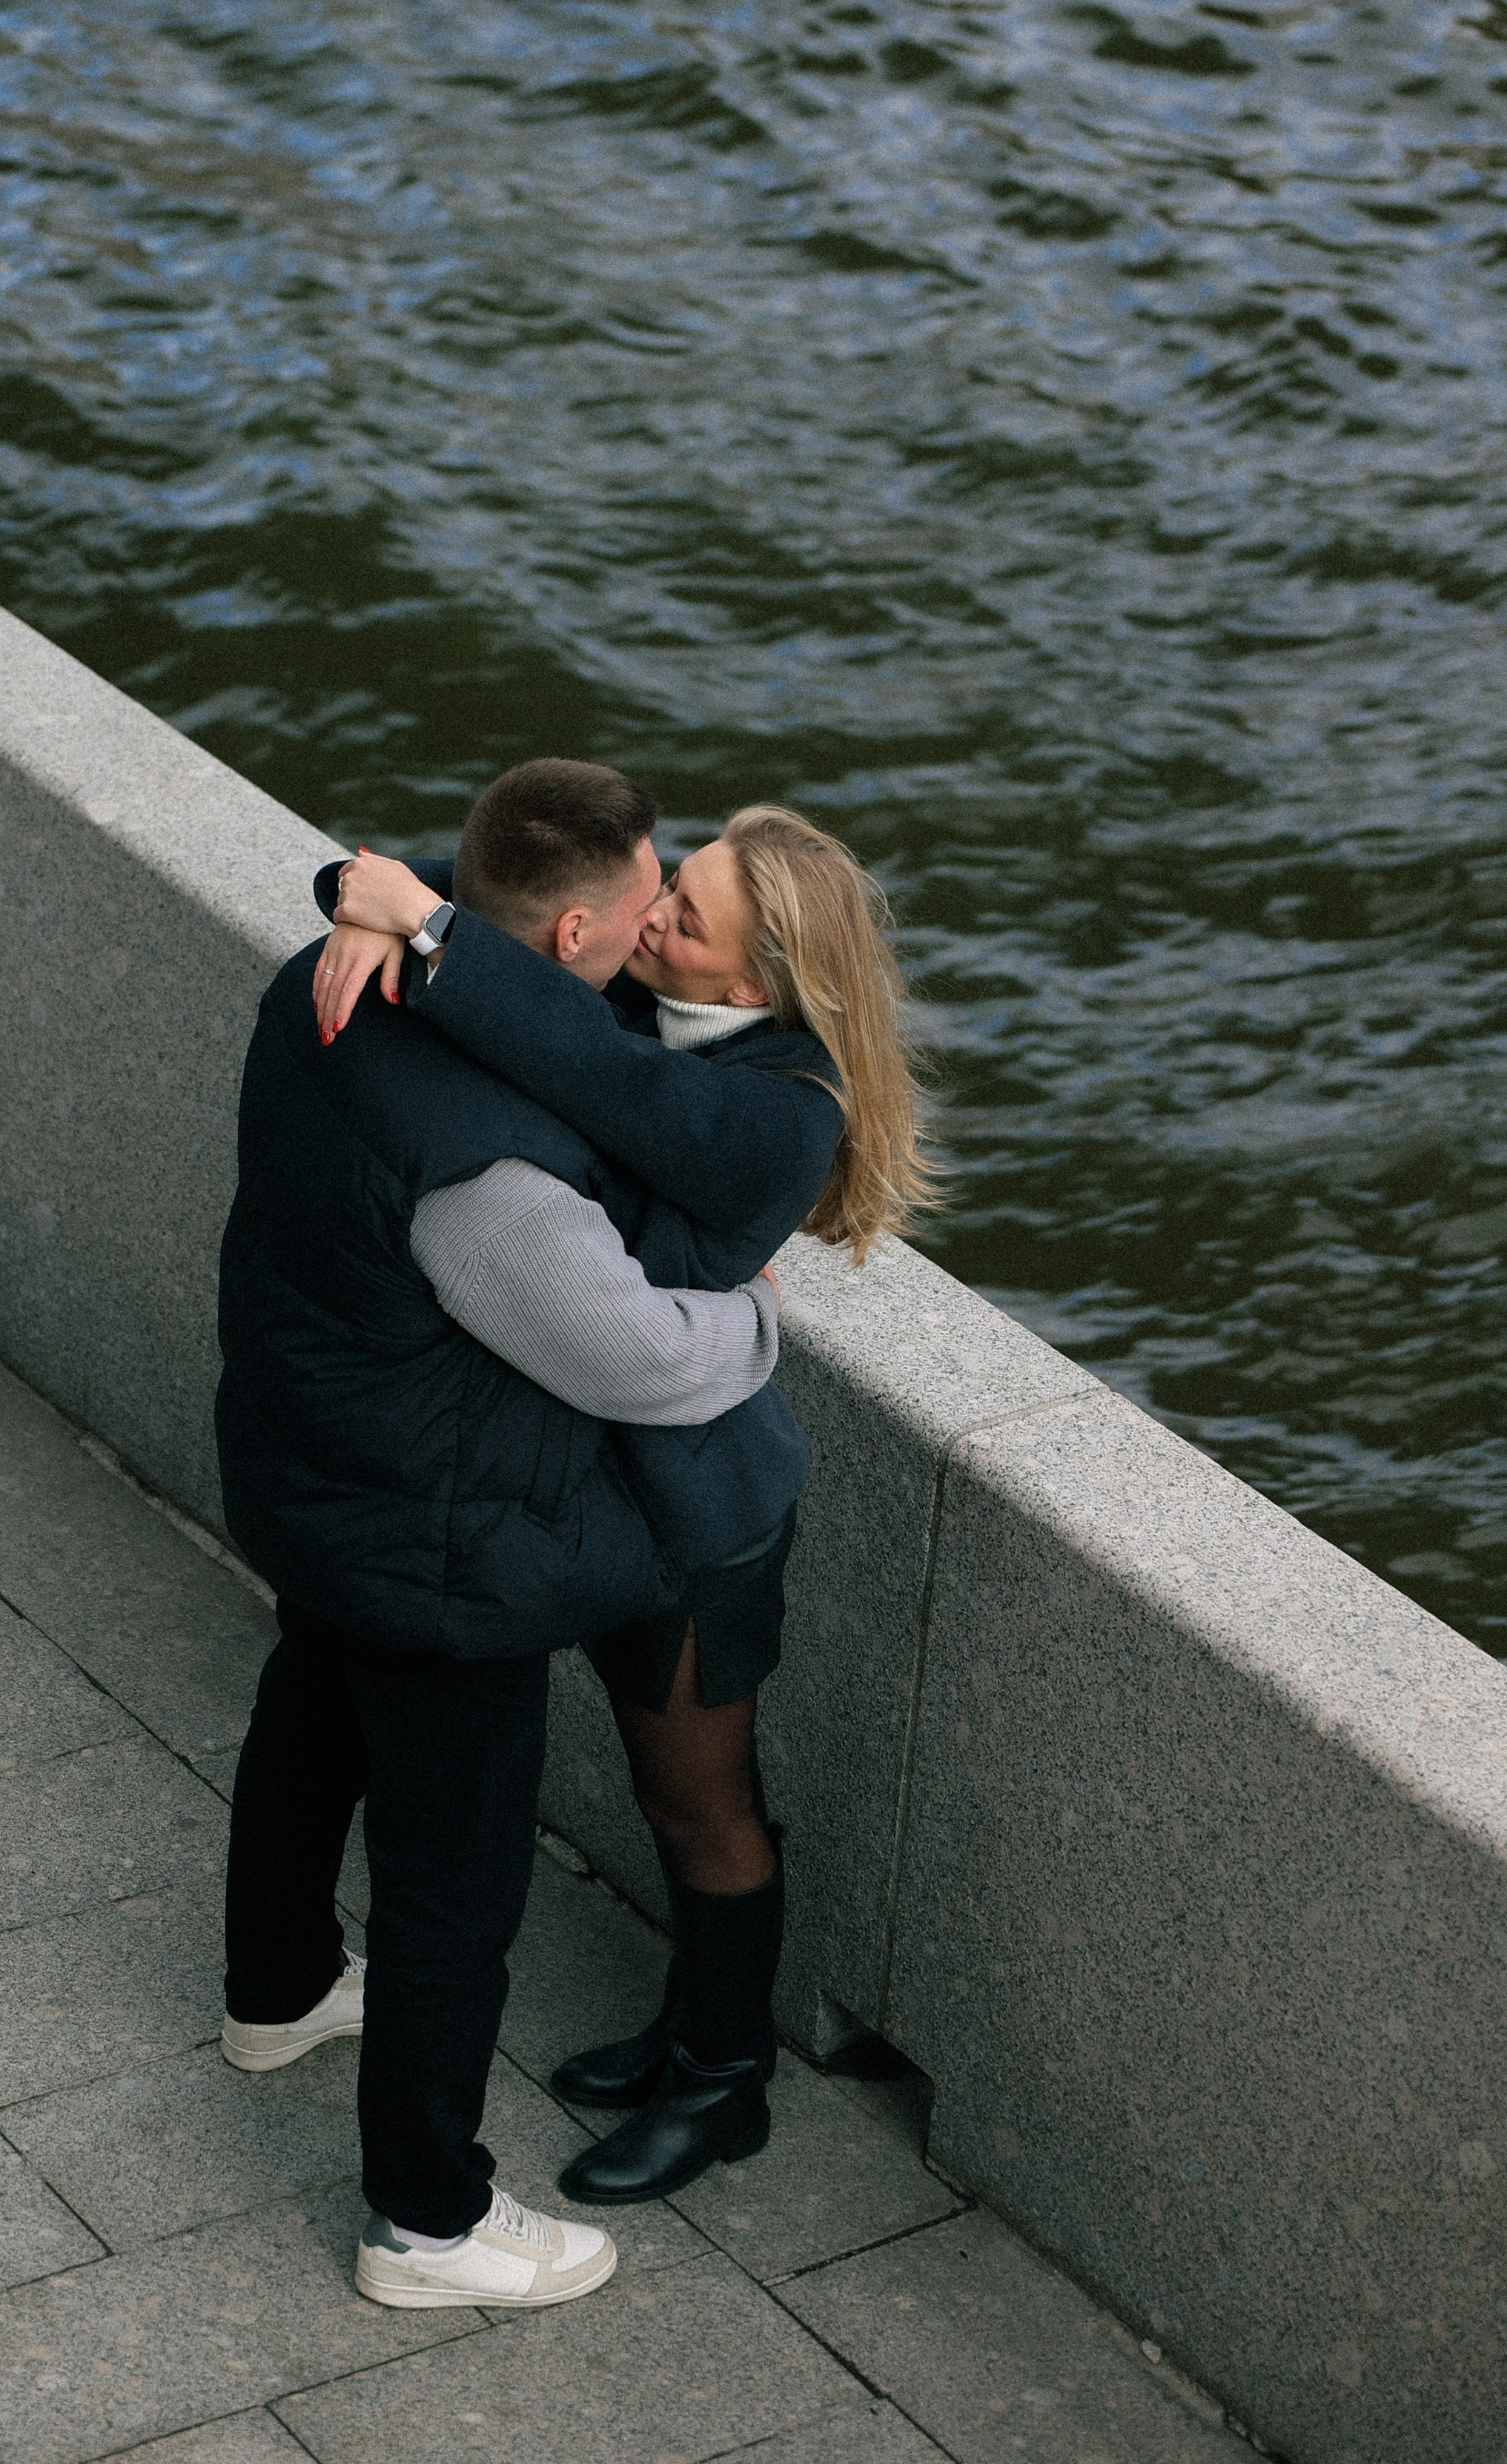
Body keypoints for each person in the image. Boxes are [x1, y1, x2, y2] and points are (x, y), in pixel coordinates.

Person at [216, 761, 803, 2311]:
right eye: (645, 903)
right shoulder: (496, 1176)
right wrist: (744, 1323)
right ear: (568, 944)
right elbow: (638, 1362)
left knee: (307, 1716)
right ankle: (424, 2221)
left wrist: (370, 900)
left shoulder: (323, 983)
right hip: (444, 1549)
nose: (658, 916)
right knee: (450, 1886)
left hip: (309, 1467)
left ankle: (272, 1994)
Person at [314, 788, 930, 2205]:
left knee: (698, 1798)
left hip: (699, 1510)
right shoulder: (665, 996)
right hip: (602, 1490)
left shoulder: (780, 1111)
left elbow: (606, 1085)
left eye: (687, 914)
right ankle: (683, 2034)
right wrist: (362, 897)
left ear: (760, 981)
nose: (651, 915)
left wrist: (422, 928)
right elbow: (472, 880)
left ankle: (726, 2083)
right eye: (674, 882)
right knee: (668, 1792)